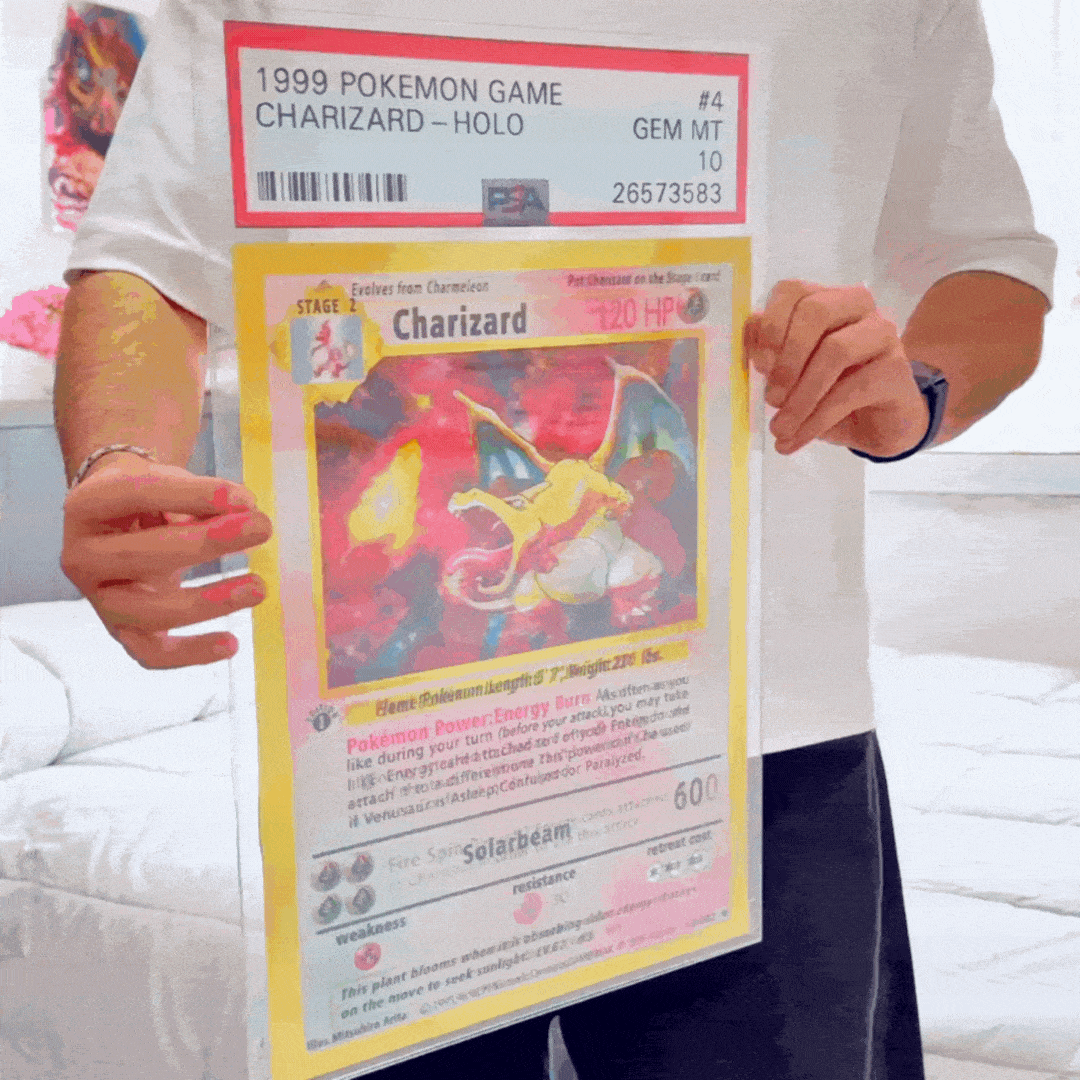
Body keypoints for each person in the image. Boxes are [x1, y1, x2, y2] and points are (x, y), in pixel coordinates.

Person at [54, 0, 1055, 1077]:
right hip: (398, 747)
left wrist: (921, 390)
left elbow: (993, 265)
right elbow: (148, 260)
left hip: (763, 722)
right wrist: (119, 457)